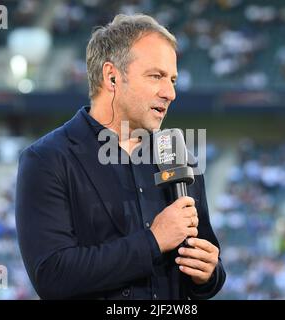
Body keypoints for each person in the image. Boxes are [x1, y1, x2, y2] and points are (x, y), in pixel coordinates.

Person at [15, 13, 226, 300]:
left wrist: (209, 274)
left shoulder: (178, 155)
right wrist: (153, 241)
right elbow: (52, 275)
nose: (170, 93)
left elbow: (205, 265)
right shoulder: (48, 159)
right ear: (112, 77)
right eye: (156, 76)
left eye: (173, 79)